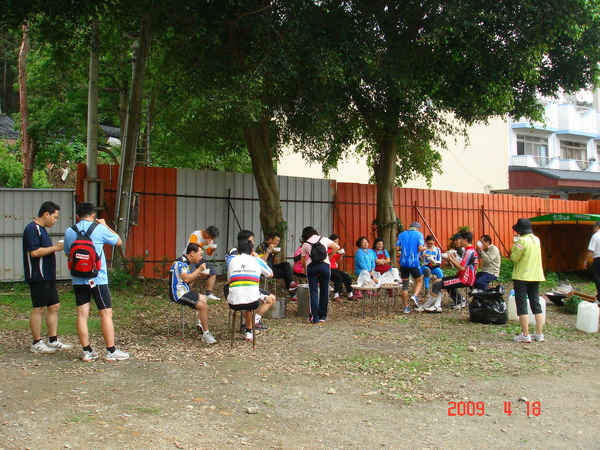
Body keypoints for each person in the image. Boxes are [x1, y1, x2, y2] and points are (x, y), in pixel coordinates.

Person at [63, 202, 129, 362]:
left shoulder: (69, 231)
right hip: (98, 279)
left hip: (78, 279)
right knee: (106, 314)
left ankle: (87, 351)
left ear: (77, 216)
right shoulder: (99, 229)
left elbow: (67, 253)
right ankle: (111, 351)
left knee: (81, 314)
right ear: (93, 215)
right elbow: (118, 241)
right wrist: (105, 225)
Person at [22, 201, 72, 354]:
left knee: (54, 306)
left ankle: (53, 339)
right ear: (46, 214)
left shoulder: (43, 230)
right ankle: (36, 342)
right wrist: (56, 247)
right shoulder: (32, 229)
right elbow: (34, 252)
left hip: (49, 275)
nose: (55, 221)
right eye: (55, 217)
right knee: (39, 308)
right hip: (38, 275)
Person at [227, 239, 277, 341]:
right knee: (259, 298)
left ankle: (249, 329)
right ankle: (251, 328)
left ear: (238, 250)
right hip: (252, 301)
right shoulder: (256, 260)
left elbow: (229, 279)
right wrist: (259, 258)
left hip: (232, 301)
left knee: (246, 296)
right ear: (252, 250)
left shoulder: (231, 261)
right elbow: (270, 274)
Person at [170, 243, 218, 344]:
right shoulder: (181, 262)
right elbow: (186, 278)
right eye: (200, 254)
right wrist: (199, 270)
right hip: (178, 294)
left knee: (203, 298)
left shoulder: (185, 262)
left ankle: (201, 324)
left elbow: (187, 280)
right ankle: (206, 333)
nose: (201, 257)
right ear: (192, 253)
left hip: (184, 291)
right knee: (203, 307)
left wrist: (198, 275)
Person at [418, 231, 478, 313]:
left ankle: (428, 306)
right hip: (461, 276)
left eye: (461, 239)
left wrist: (451, 259)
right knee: (439, 281)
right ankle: (439, 304)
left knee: (438, 284)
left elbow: (462, 267)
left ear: (465, 240)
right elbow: (461, 264)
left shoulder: (469, 251)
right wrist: (451, 258)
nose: (459, 241)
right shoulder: (468, 250)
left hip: (465, 278)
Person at [511, 218, 545, 343]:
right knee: (535, 303)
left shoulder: (521, 241)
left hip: (522, 276)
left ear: (520, 230)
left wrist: (514, 246)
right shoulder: (537, 239)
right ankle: (539, 333)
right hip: (536, 275)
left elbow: (514, 258)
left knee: (522, 305)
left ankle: (526, 335)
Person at [301, 226, 339, 324]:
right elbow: (337, 247)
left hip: (312, 267)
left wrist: (305, 269)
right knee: (324, 290)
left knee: (313, 292)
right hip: (325, 266)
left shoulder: (305, 244)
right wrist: (329, 255)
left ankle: (315, 318)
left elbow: (303, 261)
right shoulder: (324, 239)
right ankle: (323, 316)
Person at [256, 232, 298, 301]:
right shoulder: (261, 247)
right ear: (270, 240)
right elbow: (261, 262)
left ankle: (291, 283)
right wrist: (268, 250)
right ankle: (293, 295)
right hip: (265, 270)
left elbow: (273, 262)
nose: (277, 243)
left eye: (278, 241)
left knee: (286, 265)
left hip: (271, 267)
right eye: (276, 241)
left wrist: (275, 255)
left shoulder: (273, 247)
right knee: (286, 273)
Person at [396, 222, 426, 313]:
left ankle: (406, 307)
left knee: (405, 286)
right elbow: (420, 248)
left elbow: (397, 248)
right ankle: (415, 296)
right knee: (420, 281)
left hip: (403, 263)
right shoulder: (419, 235)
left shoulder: (401, 234)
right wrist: (425, 248)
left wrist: (405, 248)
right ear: (418, 228)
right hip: (414, 263)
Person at [186, 226, 220, 300]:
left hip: (199, 259)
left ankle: (208, 293)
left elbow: (209, 253)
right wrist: (203, 243)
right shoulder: (196, 234)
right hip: (190, 258)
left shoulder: (209, 240)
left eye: (213, 238)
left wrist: (212, 250)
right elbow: (191, 247)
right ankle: (186, 293)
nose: (211, 239)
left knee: (213, 272)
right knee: (193, 273)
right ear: (206, 233)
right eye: (211, 237)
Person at [328, 234, 354, 301]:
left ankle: (350, 294)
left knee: (347, 277)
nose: (336, 243)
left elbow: (338, 262)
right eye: (335, 241)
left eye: (337, 241)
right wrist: (335, 251)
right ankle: (336, 295)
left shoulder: (336, 250)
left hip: (334, 267)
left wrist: (341, 255)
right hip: (327, 267)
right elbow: (328, 258)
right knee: (338, 278)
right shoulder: (327, 249)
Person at [583, 221, 600, 300]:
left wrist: (586, 261)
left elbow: (591, 250)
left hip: (598, 259)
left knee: (598, 278)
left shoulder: (595, 236)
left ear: (597, 227)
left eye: (594, 228)